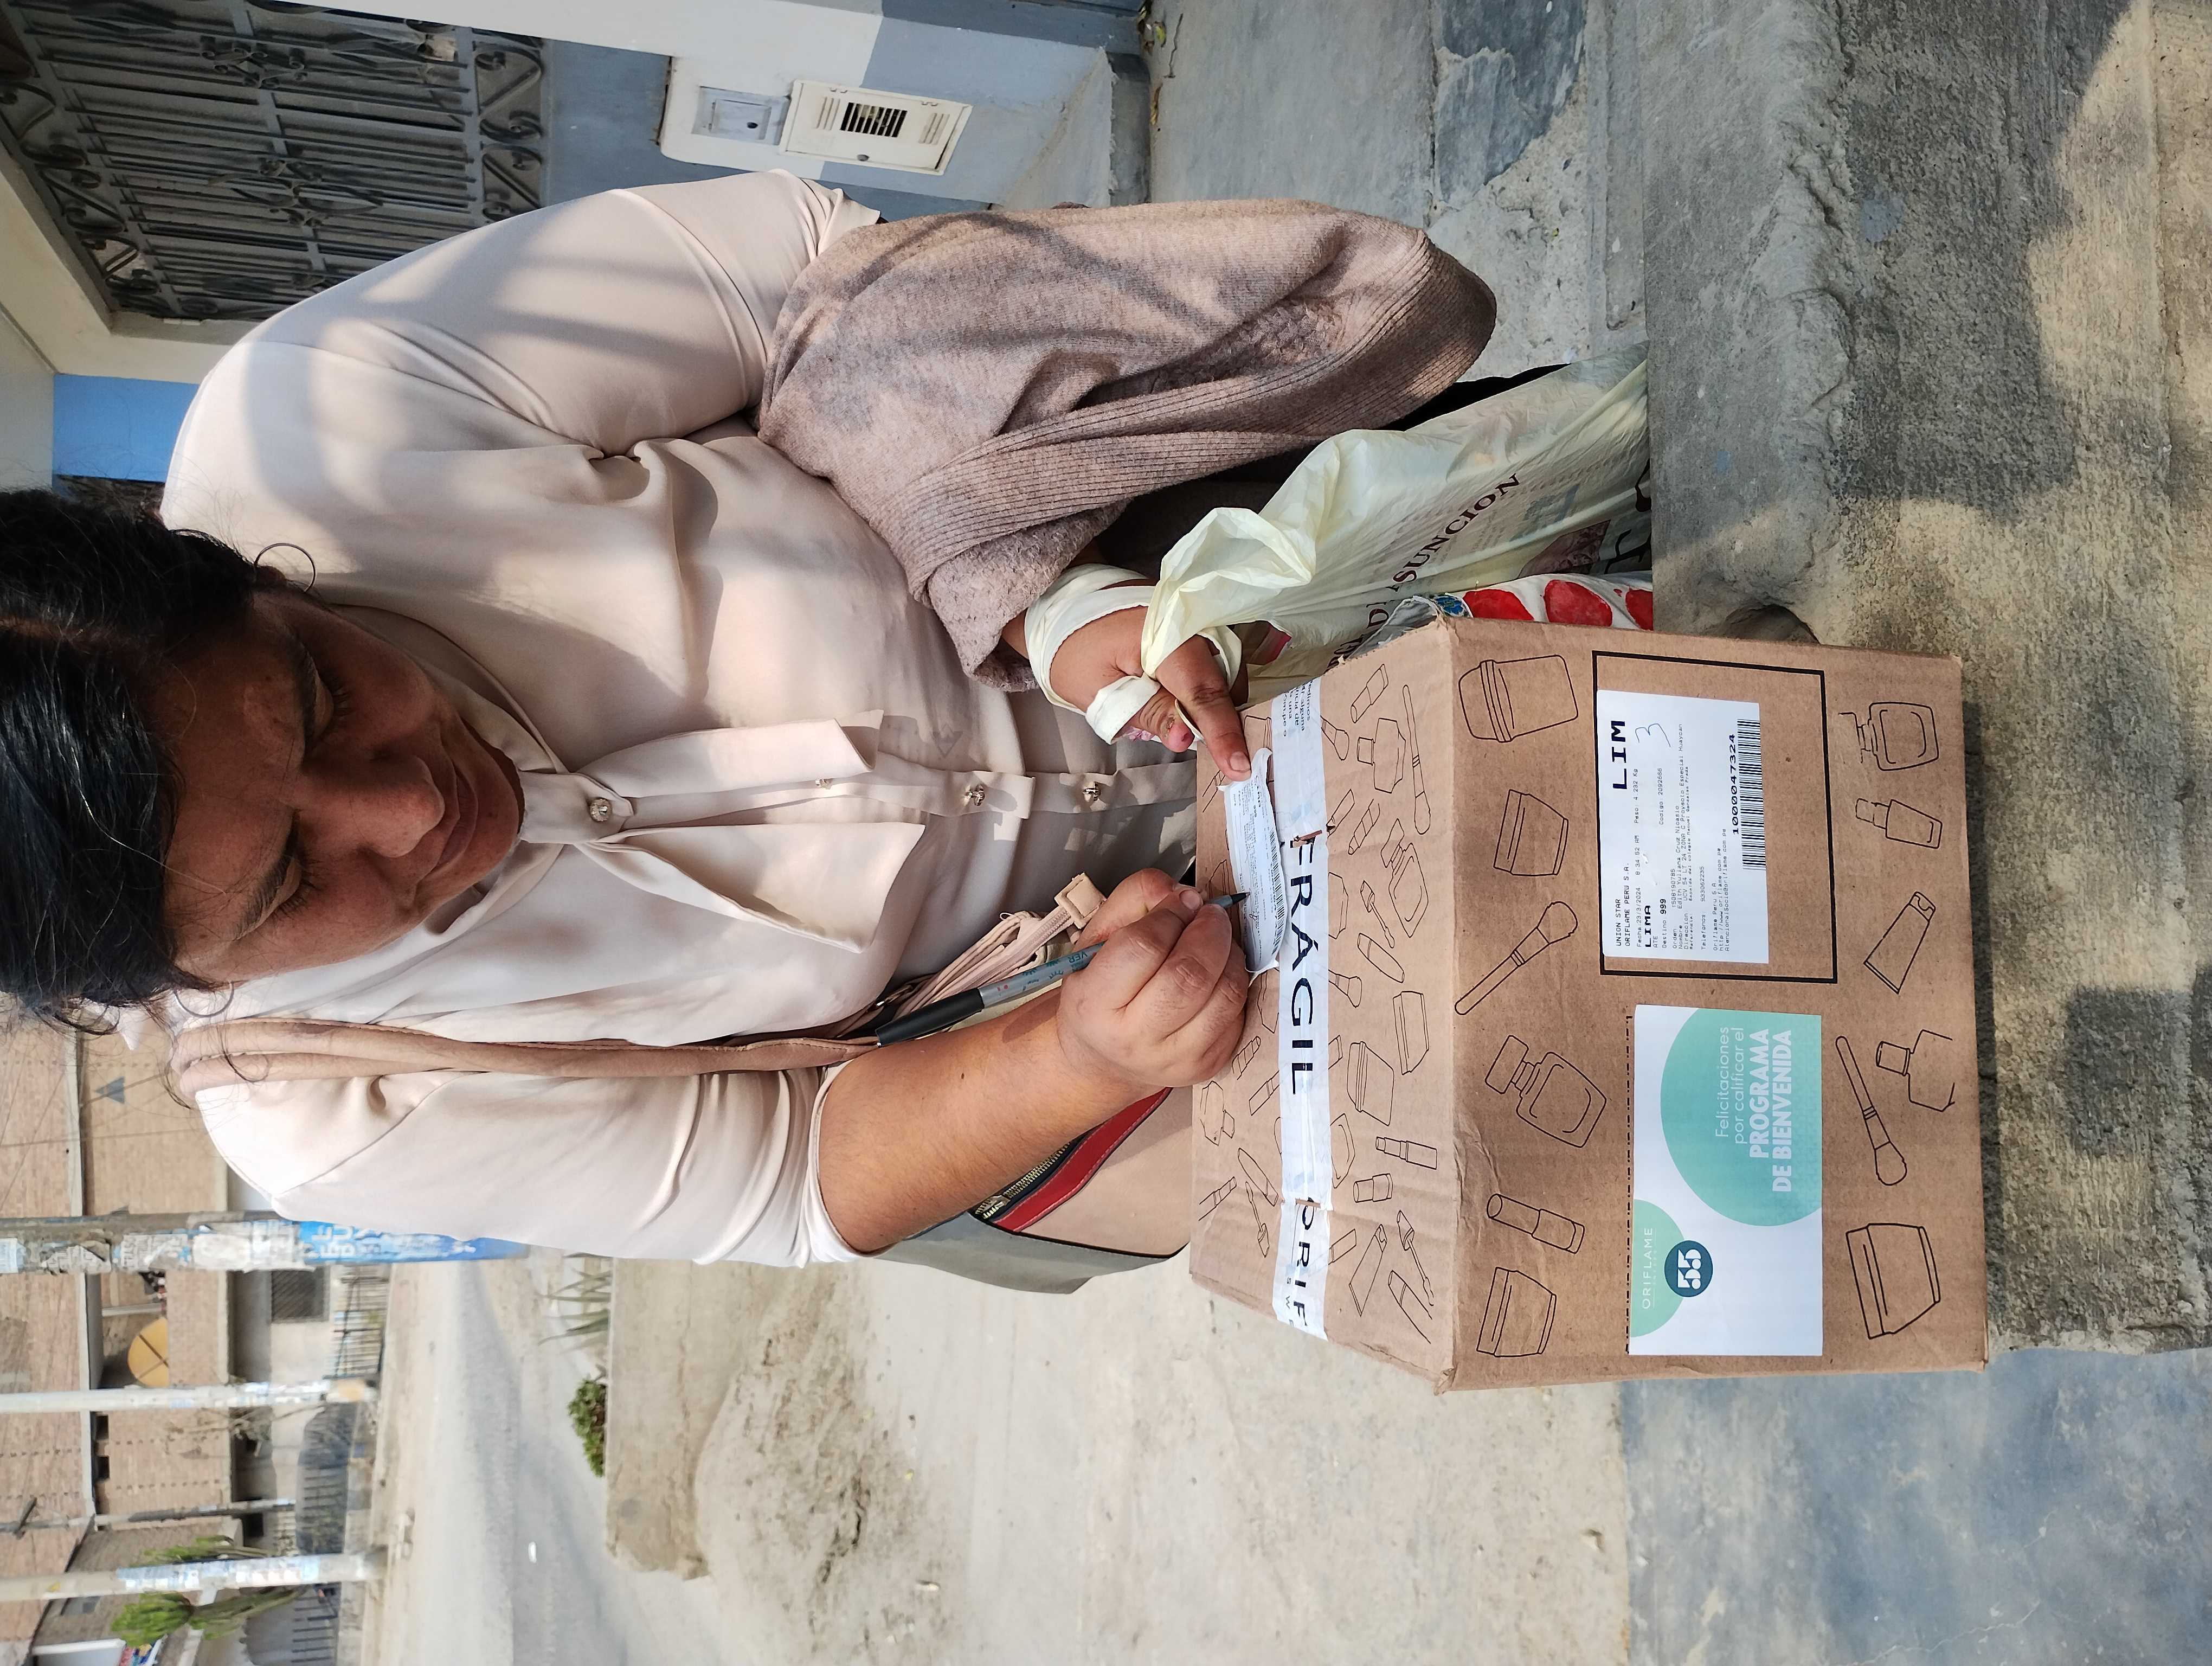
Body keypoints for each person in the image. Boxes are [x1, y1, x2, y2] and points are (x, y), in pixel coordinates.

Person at [0, 173, 1478, 1284]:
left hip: (1207, 553)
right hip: (1206, 967)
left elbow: (812, 278)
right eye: (289, 885)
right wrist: (1081, 1059)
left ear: (247, 579)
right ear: (179, 982)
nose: (409, 811)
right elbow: (793, 1181)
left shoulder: (330, 419)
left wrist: (1034, 587)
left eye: (324, 698)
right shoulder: (321, 1110)